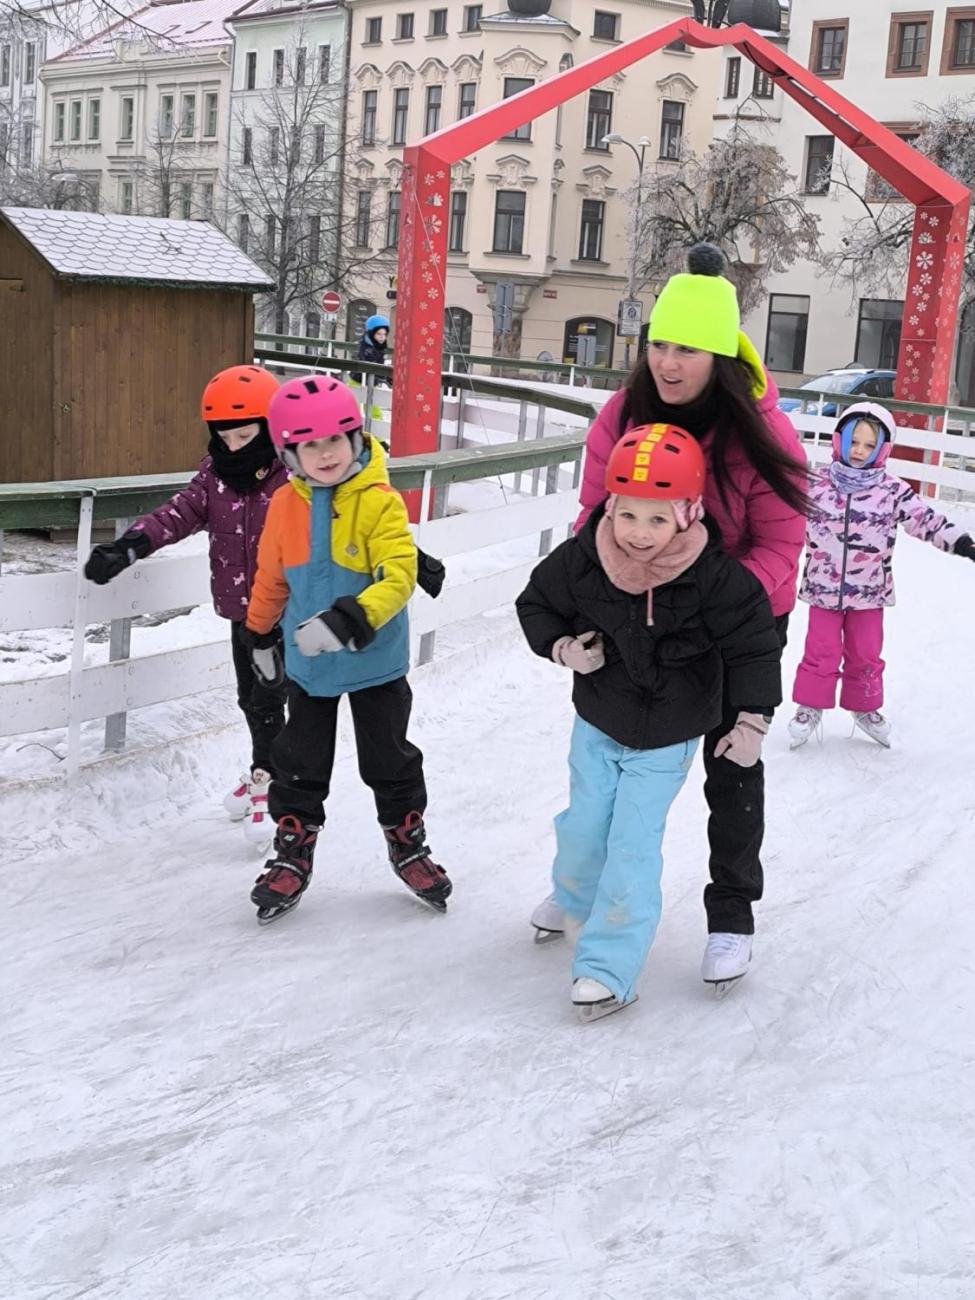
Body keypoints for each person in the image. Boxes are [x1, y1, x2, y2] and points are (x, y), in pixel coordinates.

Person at [529, 244, 807, 988]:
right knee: (608, 771)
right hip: (641, 613)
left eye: (685, 346)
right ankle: (576, 887)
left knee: (731, 768)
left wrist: (710, 598)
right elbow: (595, 514)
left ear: (717, 351)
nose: (666, 360)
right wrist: (609, 596)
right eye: (657, 342)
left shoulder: (759, 433)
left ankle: (730, 914)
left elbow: (781, 540)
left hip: (739, 617)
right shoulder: (623, 414)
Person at [516, 425, 782, 1018]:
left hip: (670, 733)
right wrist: (563, 647)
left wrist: (752, 721)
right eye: (629, 515)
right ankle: (575, 894)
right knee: (585, 826)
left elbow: (754, 645)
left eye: (658, 521)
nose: (640, 534)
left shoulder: (712, 576)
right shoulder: (587, 556)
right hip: (598, 720)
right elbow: (535, 603)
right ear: (611, 505)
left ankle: (608, 969)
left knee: (633, 844)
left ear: (687, 515)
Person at [240, 374, 451, 924]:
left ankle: (407, 841)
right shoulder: (284, 507)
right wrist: (259, 631)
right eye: (310, 444)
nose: (325, 453)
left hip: (375, 661)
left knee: (390, 757)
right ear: (290, 452)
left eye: (335, 439)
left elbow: (400, 573)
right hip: (310, 668)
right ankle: (293, 850)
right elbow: (271, 578)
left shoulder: (378, 502)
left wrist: (354, 616)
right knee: (299, 762)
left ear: (356, 438)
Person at [84, 364, 288, 843]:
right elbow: (177, 514)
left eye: (245, 436)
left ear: (270, 427)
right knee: (251, 699)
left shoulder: (292, 477)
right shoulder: (213, 477)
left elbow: (344, 517)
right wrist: (129, 545)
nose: (234, 447)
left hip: (290, 611)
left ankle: (271, 782)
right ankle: (272, 771)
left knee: (270, 699)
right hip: (243, 613)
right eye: (225, 437)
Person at [789, 402, 975, 749]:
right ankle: (810, 706)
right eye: (853, 442)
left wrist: (963, 543)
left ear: (882, 449)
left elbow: (925, 520)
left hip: (869, 592)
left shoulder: (891, 491)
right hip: (822, 588)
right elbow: (780, 514)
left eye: (868, 445)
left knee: (866, 652)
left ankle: (865, 707)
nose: (859, 451)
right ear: (839, 441)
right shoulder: (816, 484)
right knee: (821, 650)